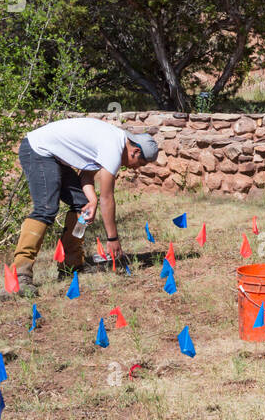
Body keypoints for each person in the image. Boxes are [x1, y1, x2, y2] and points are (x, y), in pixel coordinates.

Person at [11, 117, 158, 293]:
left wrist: (91, 201)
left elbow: (86, 175)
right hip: (38, 150)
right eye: (140, 164)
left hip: (54, 157)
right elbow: (107, 198)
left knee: (82, 205)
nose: (136, 168)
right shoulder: (113, 147)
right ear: (134, 151)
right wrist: (112, 239)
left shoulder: (113, 142)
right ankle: (20, 275)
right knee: (46, 208)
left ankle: (71, 267)